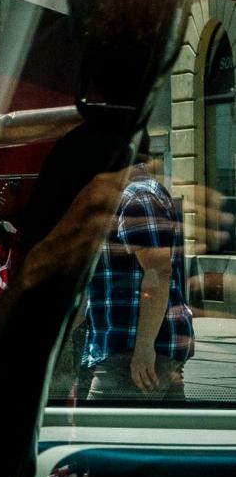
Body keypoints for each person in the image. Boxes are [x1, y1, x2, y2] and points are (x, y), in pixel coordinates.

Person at [78, 137, 193, 402]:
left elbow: (158, 272)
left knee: (105, 437)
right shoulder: (126, 195)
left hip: (130, 350)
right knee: (163, 438)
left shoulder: (137, 195)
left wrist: (143, 348)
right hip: (132, 346)